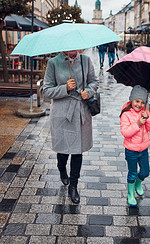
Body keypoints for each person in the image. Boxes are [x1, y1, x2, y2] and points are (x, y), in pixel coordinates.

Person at [43, 50, 98, 204]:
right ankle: (61, 168)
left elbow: (94, 81)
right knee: (63, 150)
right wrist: (65, 88)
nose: (73, 49)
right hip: (62, 114)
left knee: (77, 151)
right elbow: (46, 91)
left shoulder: (86, 61)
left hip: (80, 112)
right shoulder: (53, 63)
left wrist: (88, 91)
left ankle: (74, 185)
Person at [119, 85, 150, 207]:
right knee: (132, 173)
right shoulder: (126, 114)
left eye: (142, 102)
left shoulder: (145, 112)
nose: (139, 104)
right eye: (137, 101)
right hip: (131, 150)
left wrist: (148, 117)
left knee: (145, 172)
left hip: (143, 148)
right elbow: (125, 132)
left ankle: (137, 183)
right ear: (131, 100)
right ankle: (130, 194)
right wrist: (138, 124)